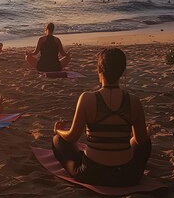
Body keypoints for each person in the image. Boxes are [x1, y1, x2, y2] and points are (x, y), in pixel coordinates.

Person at [52, 48, 151, 186]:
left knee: (58, 140)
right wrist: (146, 133)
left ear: (99, 68)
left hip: (92, 174)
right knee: (146, 143)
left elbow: (72, 137)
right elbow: (140, 141)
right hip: (126, 176)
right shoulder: (133, 101)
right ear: (123, 71)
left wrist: (59, 130)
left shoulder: (87, 98)